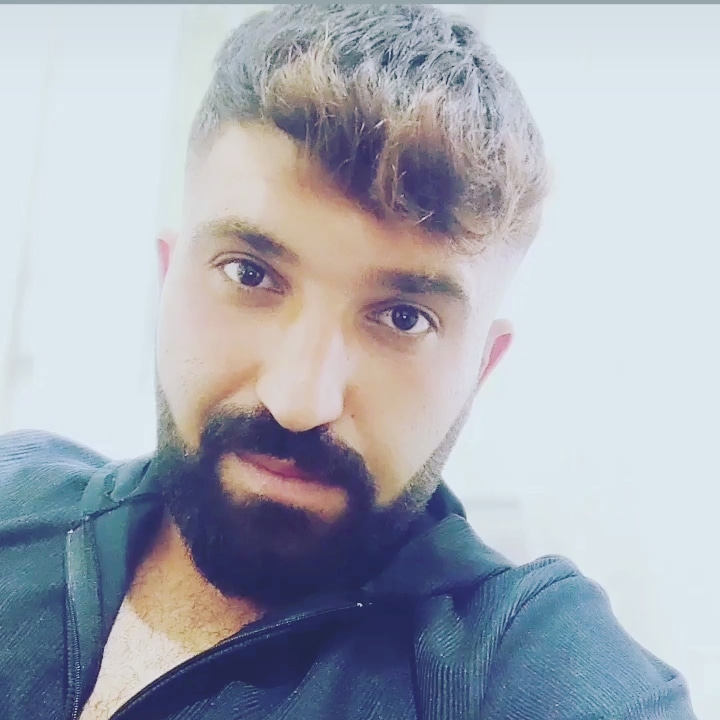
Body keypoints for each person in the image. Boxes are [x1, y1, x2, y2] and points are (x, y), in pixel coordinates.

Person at [0, 5, 697, 720]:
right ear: (168, 277)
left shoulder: (524, 667)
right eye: (249, 274)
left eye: (404, 318)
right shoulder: (14, 493)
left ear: (481, 369)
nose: (300, 399)